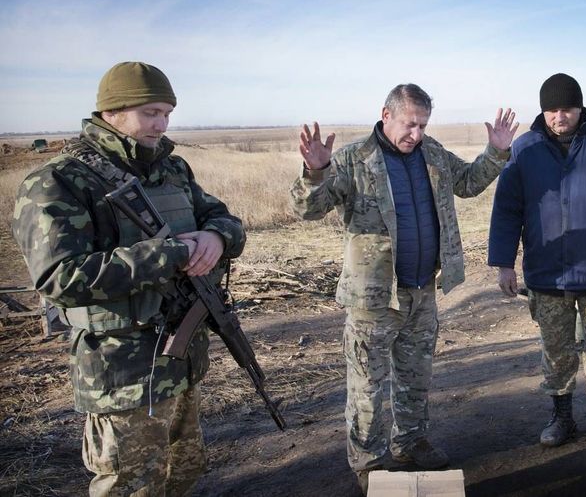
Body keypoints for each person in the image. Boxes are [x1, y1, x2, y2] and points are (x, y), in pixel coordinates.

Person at [12, 62, 246, 496]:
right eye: (151, 112)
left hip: (180, 362)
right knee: (131, 487)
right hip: (122, 374)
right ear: (113, 112)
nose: (162, 124)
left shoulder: (171, 169)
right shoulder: (58, 181)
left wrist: (216, 236)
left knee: (182, 473)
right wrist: (171, 254)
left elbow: (223, 217)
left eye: (167, 113)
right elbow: (59, 276)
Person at [291, 84, 516, 490]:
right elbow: (309, 209)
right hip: (374, 298)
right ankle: (369, 462)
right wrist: (315, 172)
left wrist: (495, 152)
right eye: (410, 124)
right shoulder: (354, 159)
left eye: (423, 124)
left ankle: (410, 441)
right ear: (386, 115)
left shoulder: (431, 153)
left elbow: (466, 182)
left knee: (416, 376)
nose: (416, 133)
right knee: (368, 387)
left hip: (421, 291)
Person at [487, 73, 586, 449]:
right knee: (556, 351)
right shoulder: (524, 149)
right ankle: (561, 418)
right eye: (552, 110)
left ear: (580, 108)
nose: (560, 116)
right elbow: (507, 210)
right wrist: (504, 263)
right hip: (547, 275)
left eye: (567, 108)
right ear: (543, 111)